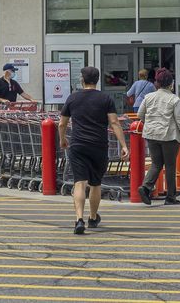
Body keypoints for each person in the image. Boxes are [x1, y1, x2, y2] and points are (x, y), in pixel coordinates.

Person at [59, 66, 128, 235]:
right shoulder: (106, 99)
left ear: (82, 80)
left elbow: (62, 123)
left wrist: (62, 139)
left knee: (79, 183)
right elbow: (114, 123)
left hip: (78, 145)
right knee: (96, 184)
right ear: (97, 81)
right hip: (99, 145)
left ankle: (78, 219)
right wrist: (124, 145)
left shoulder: (72, 98)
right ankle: (93, 217)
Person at [135, 69, 180, 206]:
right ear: (171, 84)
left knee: (156, 163)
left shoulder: (148, 97)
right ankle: (170, 197)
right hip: (169, 136)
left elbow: (140, 114)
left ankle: (145, 187)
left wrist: (148, 123)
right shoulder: (174, 99)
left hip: (151, 134)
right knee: (170, 165)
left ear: (157, 83)